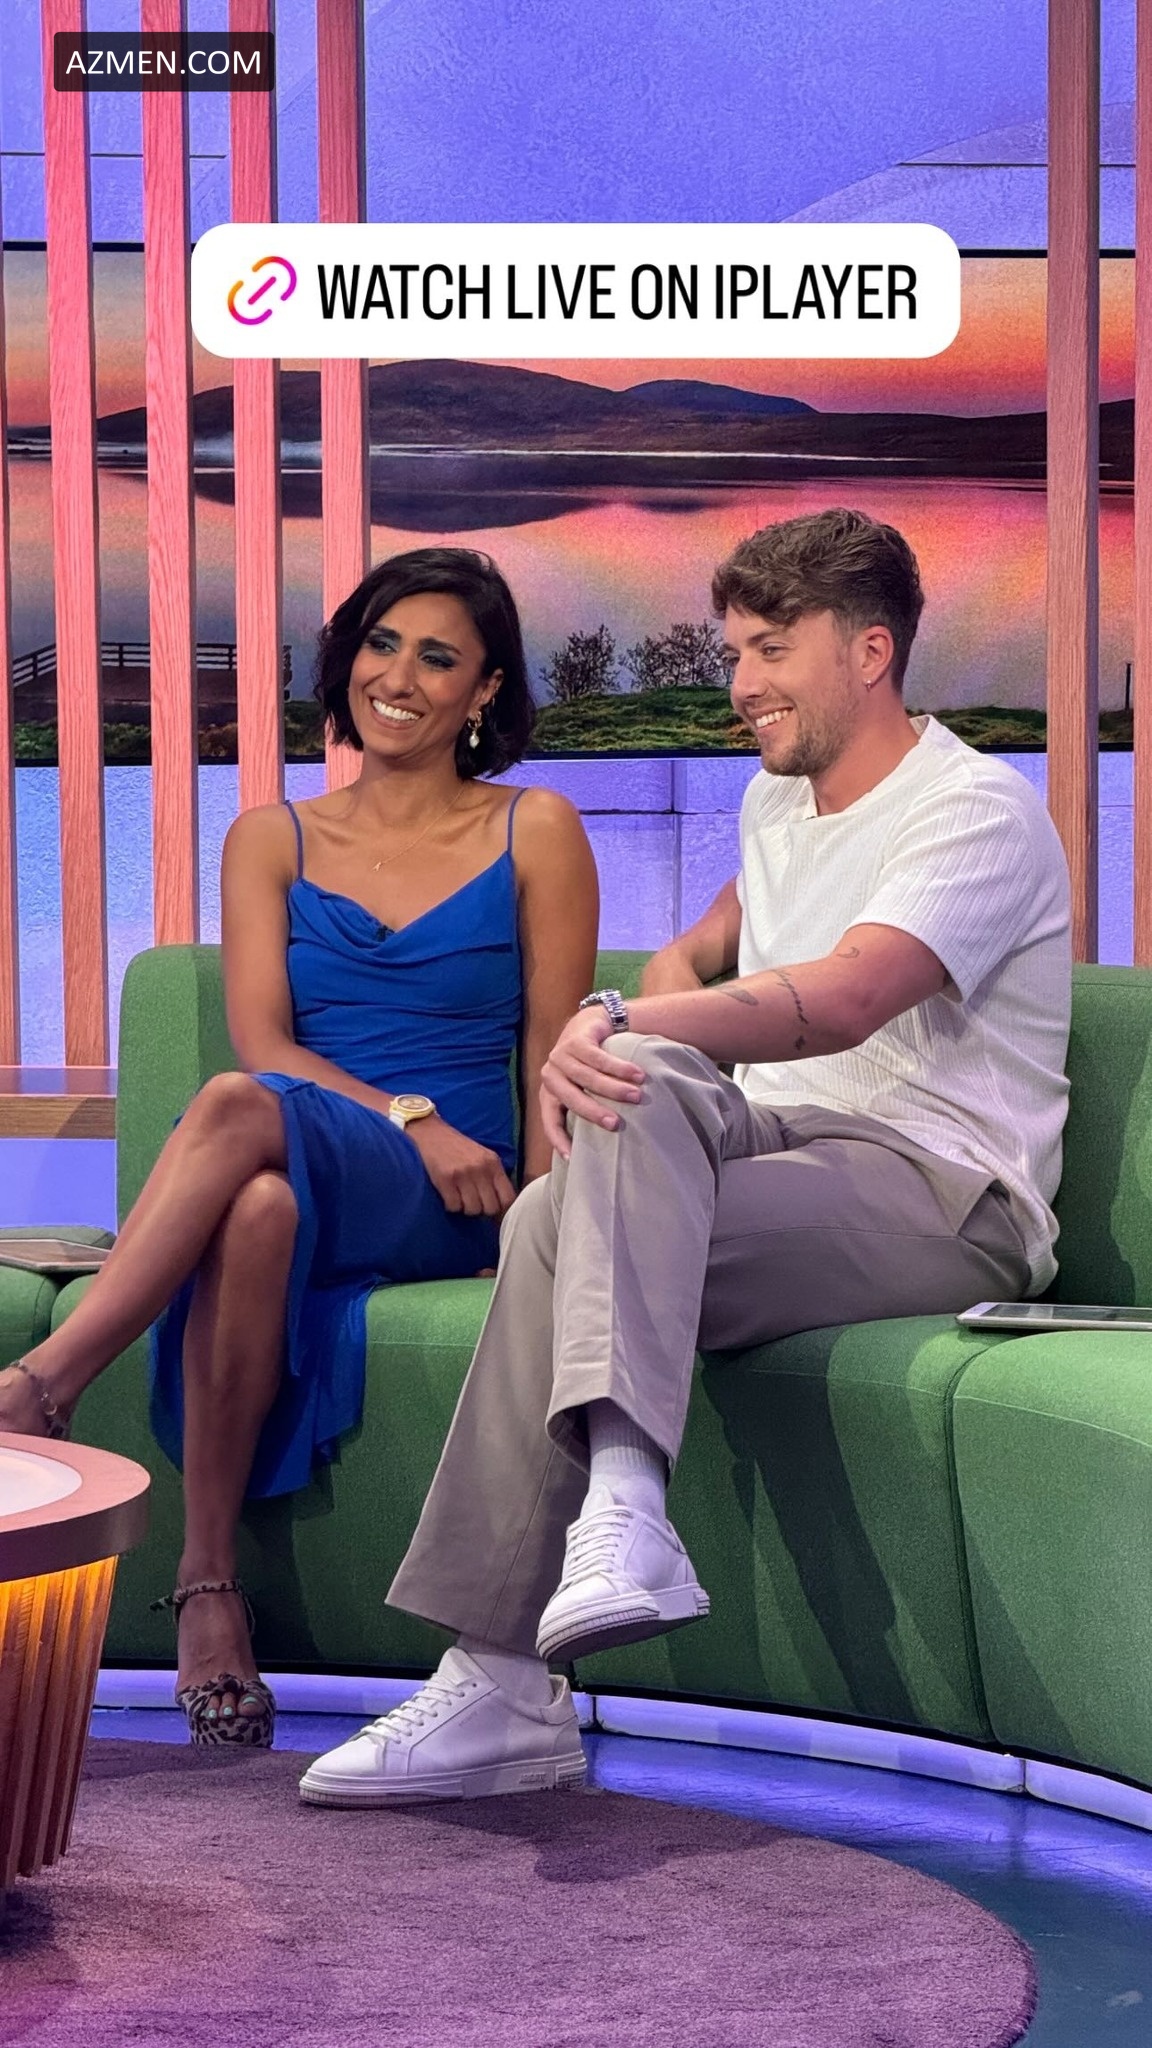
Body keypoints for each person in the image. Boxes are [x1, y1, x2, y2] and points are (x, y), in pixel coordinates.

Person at [298, 506, 1072, 1808]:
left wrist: (622, 1011)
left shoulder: (977, 810)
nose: (740, 685)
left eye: (770, 650)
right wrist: (673, 969)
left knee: (555, 1203)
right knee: (631, 1093)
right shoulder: (779, 801)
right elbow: (737, 928)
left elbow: (847, 994)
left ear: (869, 651)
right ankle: (618, 1523)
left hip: (946, 1185)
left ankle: (508, 1667)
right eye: (734, 653)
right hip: (778, 1144)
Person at [0, 546, 598, 1748]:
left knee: (234, 1107)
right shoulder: (269, 836)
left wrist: (537, 1232)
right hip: (334, 1140)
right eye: (381, 643)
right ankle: (208, 1582)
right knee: (257, 1202)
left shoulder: (535, 828)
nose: (399, 677)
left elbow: (555, 1053)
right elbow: (268, 1039)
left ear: (484, 691)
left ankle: (42, 1385)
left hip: (458, 1185)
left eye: (439, 658)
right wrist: (404, 1118)